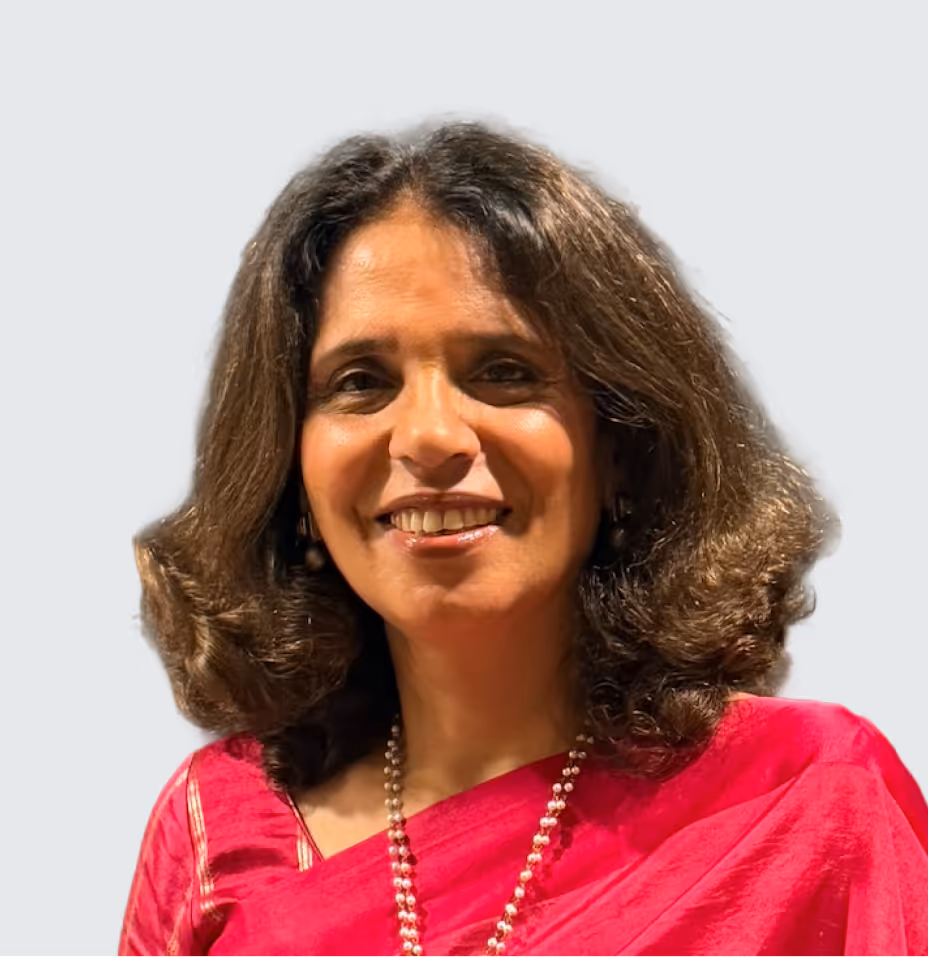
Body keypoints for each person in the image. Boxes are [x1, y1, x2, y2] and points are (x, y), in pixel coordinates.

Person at [120, 121, 928, 956]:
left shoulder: (805, 802)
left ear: (622, 444)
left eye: (503, 371)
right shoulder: (219, 831)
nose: (429, 436)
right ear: (290, 470)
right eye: (360, 382)